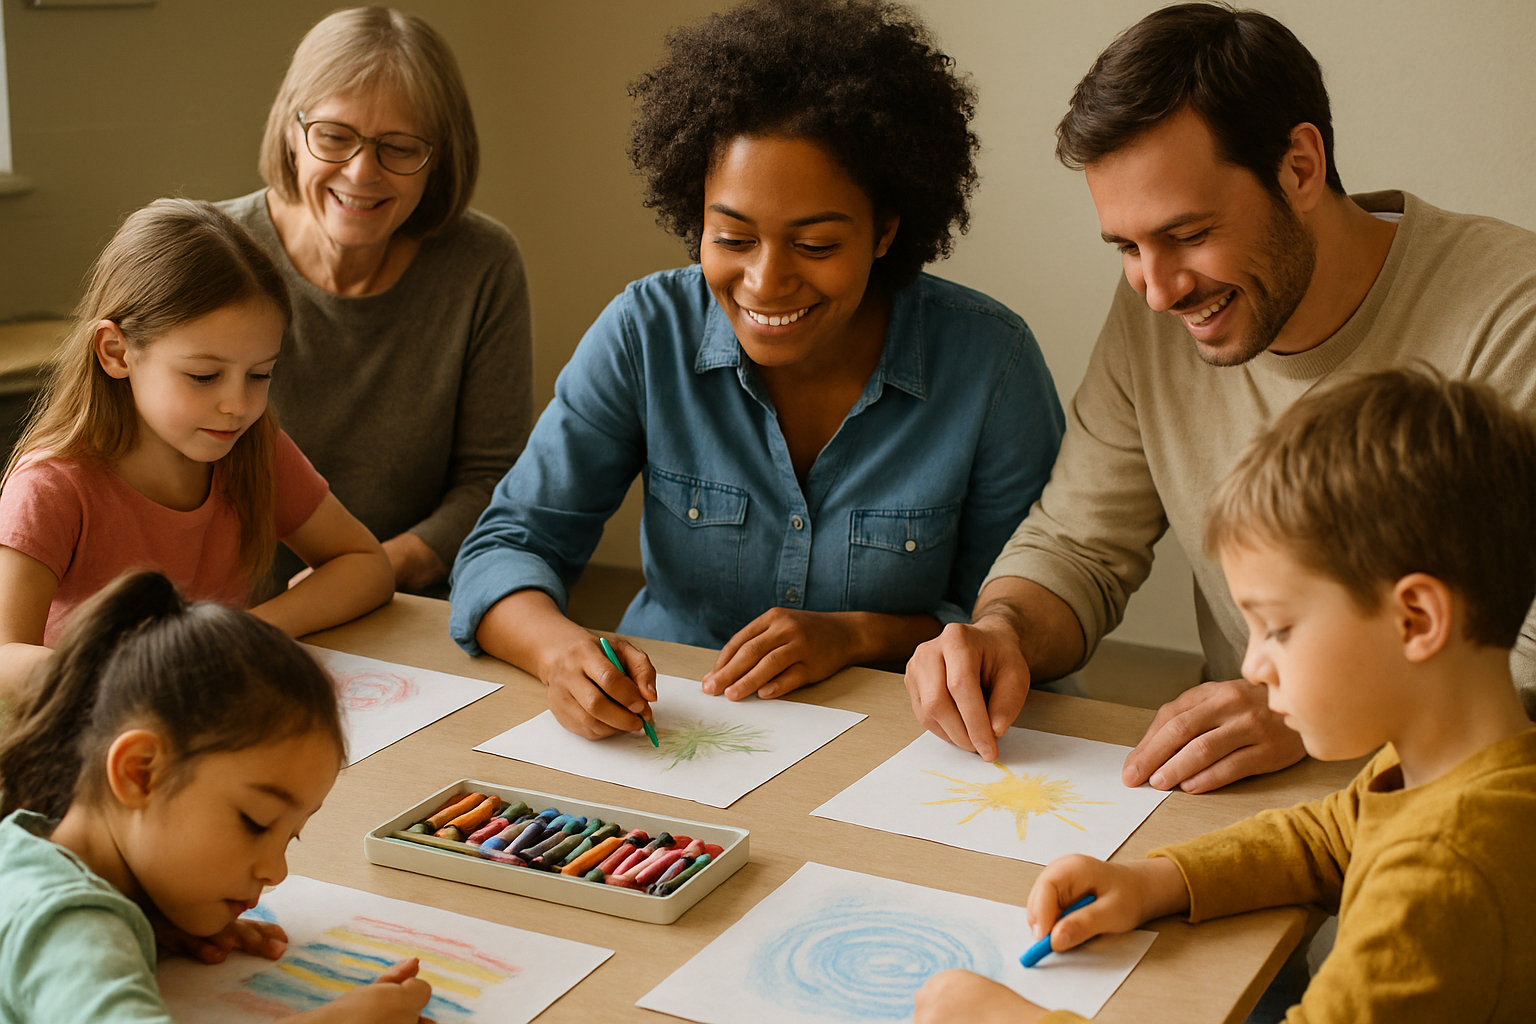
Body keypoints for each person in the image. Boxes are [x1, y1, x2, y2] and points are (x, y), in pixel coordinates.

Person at [904, 2, 1536, 793]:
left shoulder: (1513, 317)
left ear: (1299, 167)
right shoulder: (1163, 309)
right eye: (1127, 247)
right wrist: (1002, 632)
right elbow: (1078, 544)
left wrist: (1302, 708)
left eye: (1188, 234)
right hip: (1247, 793)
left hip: (1471, 798)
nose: (1158, 289)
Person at [450, 0, 1064, 740]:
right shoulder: (645, 332)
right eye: (732, 237)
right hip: (675, 729)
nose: (766, 283)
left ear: (885, 231)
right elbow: (506, 547)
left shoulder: (990, 362)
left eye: (815, 245)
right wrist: (559, 654)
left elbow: (1015, 621)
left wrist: (855, 635)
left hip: (902, 739)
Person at [913, 369, 1536, 1023]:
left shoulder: (1440, 876)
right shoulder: (1452, 764)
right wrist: (1154, 882)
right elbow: (1326, 840)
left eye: (1280, 628)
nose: (1253, 663)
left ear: (1417, 619)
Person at [0, 199, 393, 700]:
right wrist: (141, 677)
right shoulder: (51, 487)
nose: (238, 405)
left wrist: (249, 633)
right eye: (204, 376)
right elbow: (6, 656)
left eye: (260, 375)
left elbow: (364, 563)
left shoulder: (256, 448)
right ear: (116, 352)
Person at [0, 570, 434, 1023]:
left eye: (291, 837)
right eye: (256, 822)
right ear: (140, 772)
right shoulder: (65, 922)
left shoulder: (32, 851)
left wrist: (144, 922)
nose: (276, 872)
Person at [219, 7, 533, 595]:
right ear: (292, 132)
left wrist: (367, 573)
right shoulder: (213, 252)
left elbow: (492, 479)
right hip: (227, 608)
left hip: (403, 605)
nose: (362, 172)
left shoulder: (483, 263)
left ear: (439, 158)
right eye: (334, 136)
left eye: (400, 147)